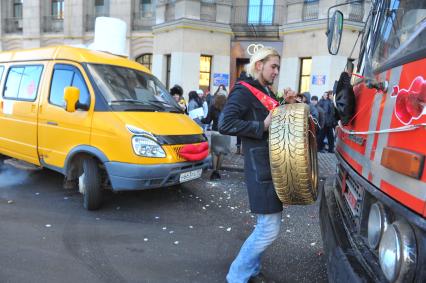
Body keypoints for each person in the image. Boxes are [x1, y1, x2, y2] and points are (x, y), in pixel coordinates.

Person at [219, 47, 285, 283]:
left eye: (278, 67)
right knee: (269, 228)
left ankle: (252, 270)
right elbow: (224, 124)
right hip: (259, 167)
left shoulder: (264, 90)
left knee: (264, 223)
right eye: (273, 66)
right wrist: (261, 126)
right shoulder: (244, 91)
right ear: (259, 65)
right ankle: (237, 275)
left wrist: (286, 102)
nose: (277, 71)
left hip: (270, 164)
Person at [202, 94, 230, 180]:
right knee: (222, 153)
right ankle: (217, 172)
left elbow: (207, 120)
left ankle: (214, 171)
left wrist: (200, 119)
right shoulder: (228, 108)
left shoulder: (213, 107)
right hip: (225, 132)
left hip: (215, 132)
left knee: (215, 153)